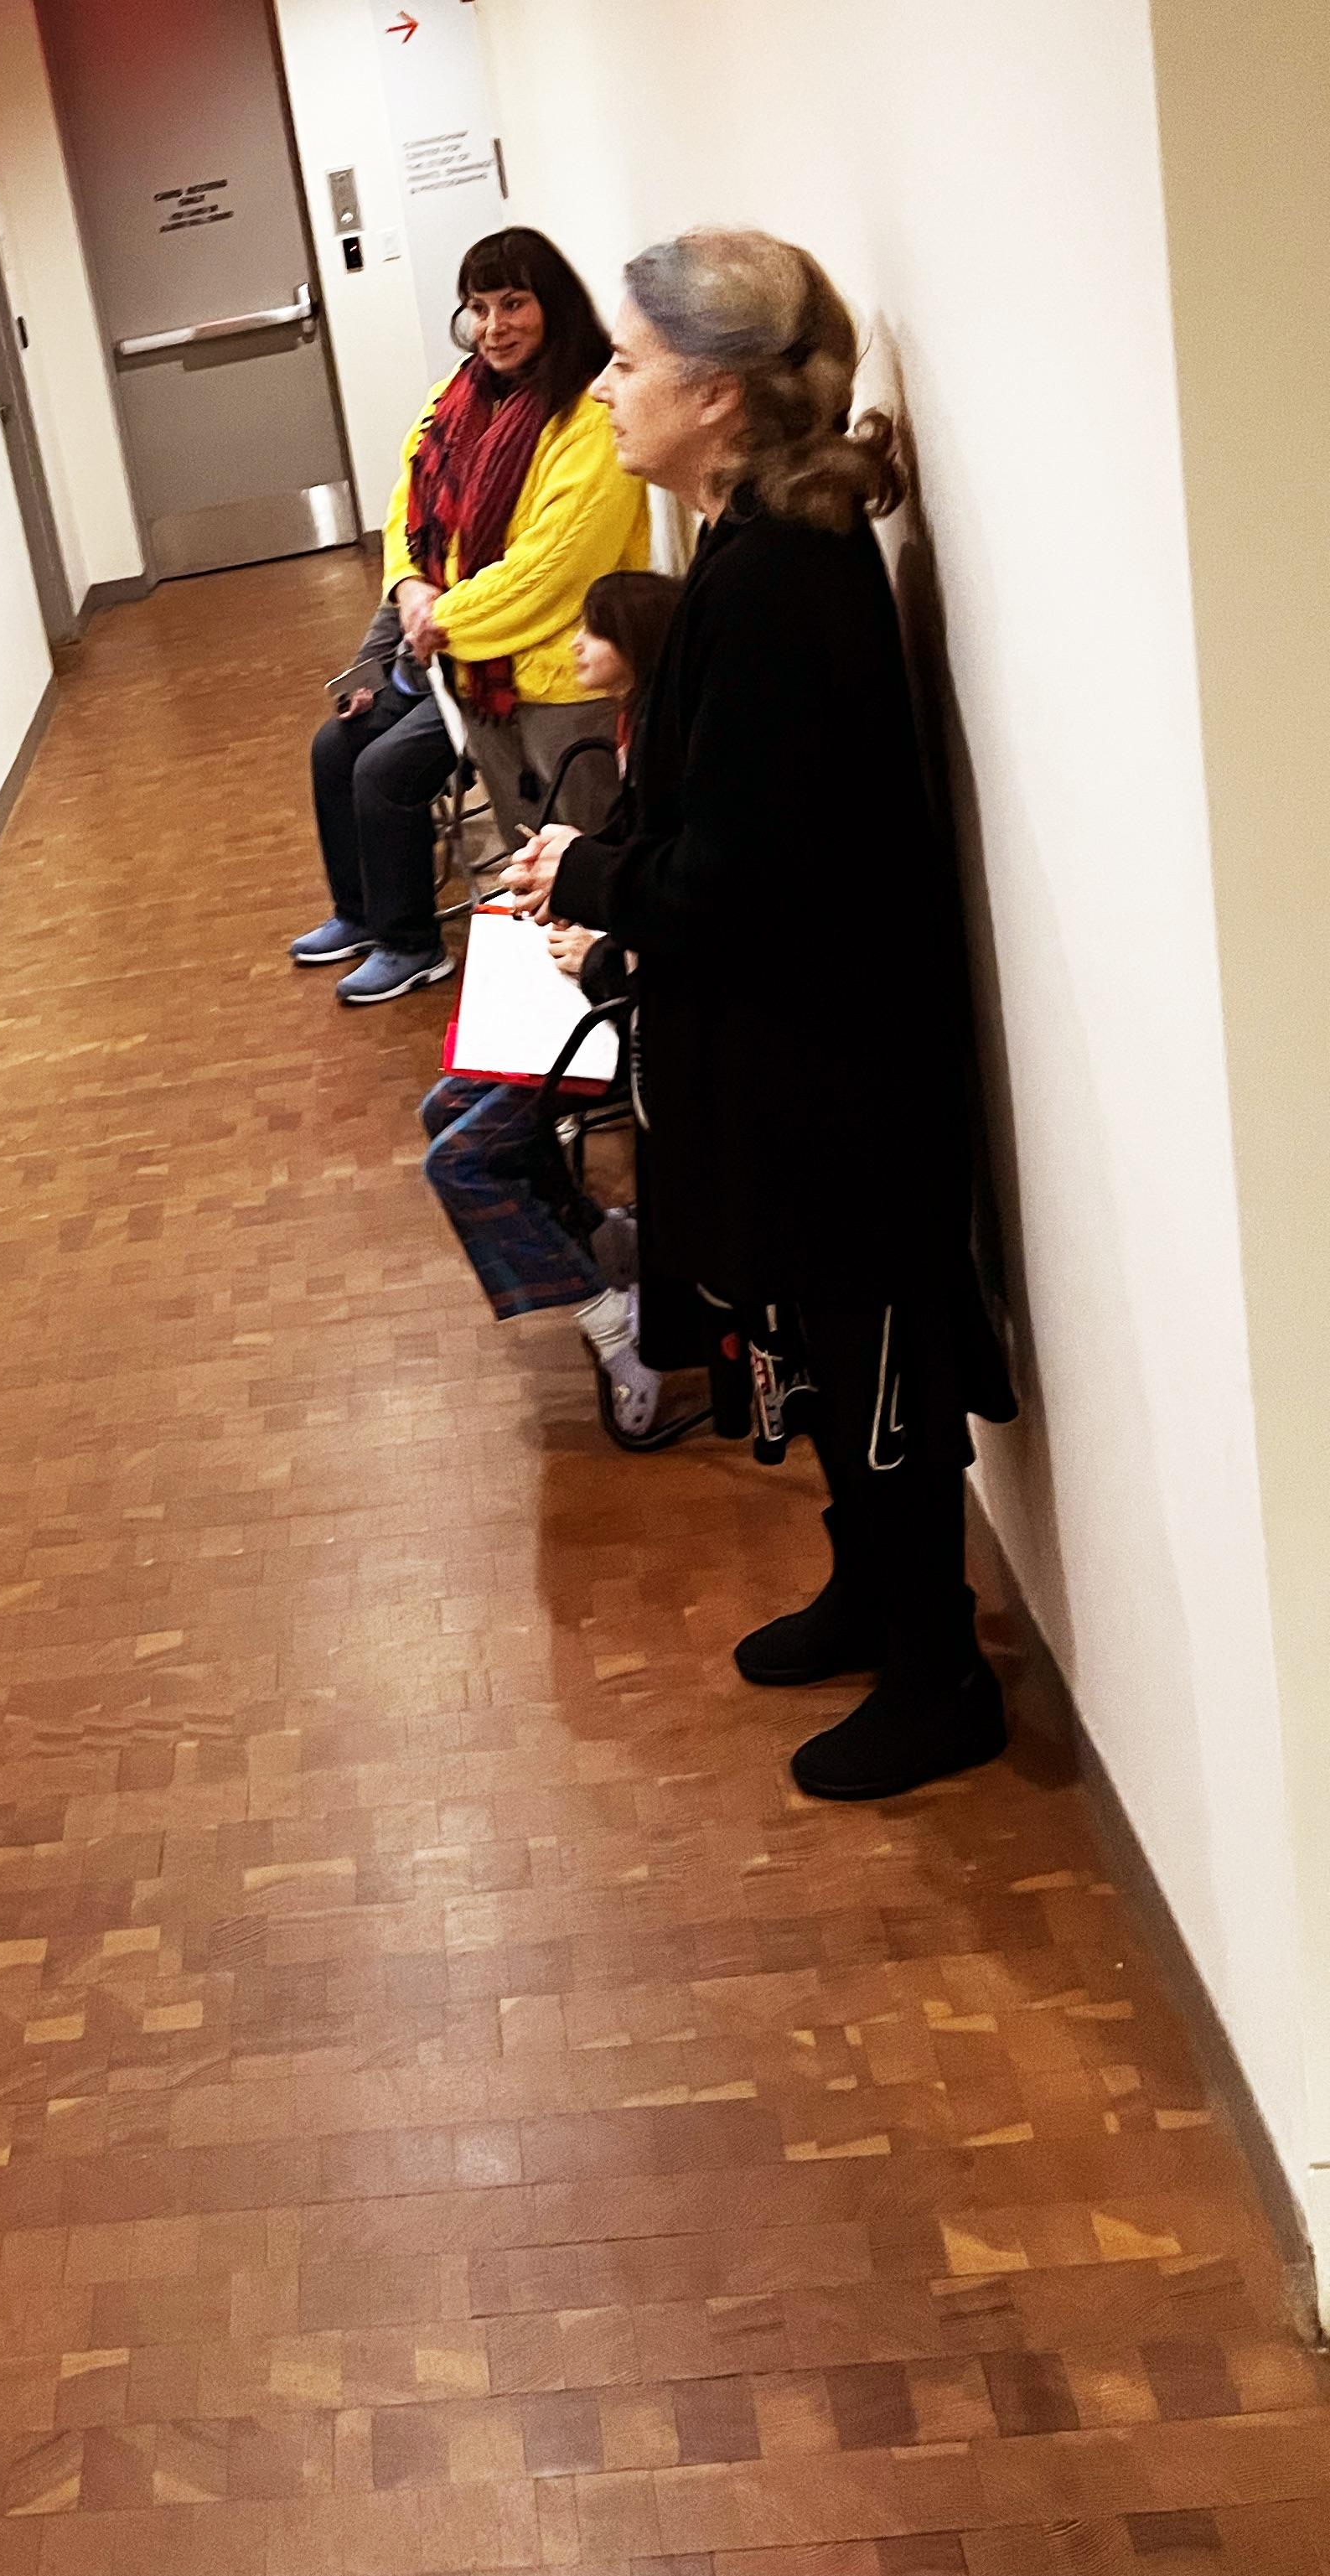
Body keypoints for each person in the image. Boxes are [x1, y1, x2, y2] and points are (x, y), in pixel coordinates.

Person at [504, 228, 1015, 1802]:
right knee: (813, 1320)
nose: (604, 388)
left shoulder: (786, 583)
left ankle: (936, 1670)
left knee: (870, 1347)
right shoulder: (744, 549)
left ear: (716, 394)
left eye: (629, 364)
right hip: (789, 1047)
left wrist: (584, 867)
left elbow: (738, 871)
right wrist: (603, 871)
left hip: (837, 1057)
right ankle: (870, 1590)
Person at [292, 227, 648, 1008]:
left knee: (560, 853)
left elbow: (549, 576)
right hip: (460, 666)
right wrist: (408, 588)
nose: (494, 327)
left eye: (514, 303)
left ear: (552, 304)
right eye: (478, 308)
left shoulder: (586, 414)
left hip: (549, 677)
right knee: (340, 747)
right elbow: (406, 506)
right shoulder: (455, 397)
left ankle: (573, 1007)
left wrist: (436, 618)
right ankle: (369, 919)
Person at [419, 571, 681, 1430]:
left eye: (592, 632)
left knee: (456, 1159)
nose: (574, 647)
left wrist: (598, 948)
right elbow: (630, 858)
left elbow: (668, 899)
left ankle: (615, 1332)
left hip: (630, 1012)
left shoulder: (668, 740)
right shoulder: (633, 728)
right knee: (443, 1109)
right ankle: (597, 1234)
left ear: (635, 643)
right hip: (601, 981)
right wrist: (566, 860)